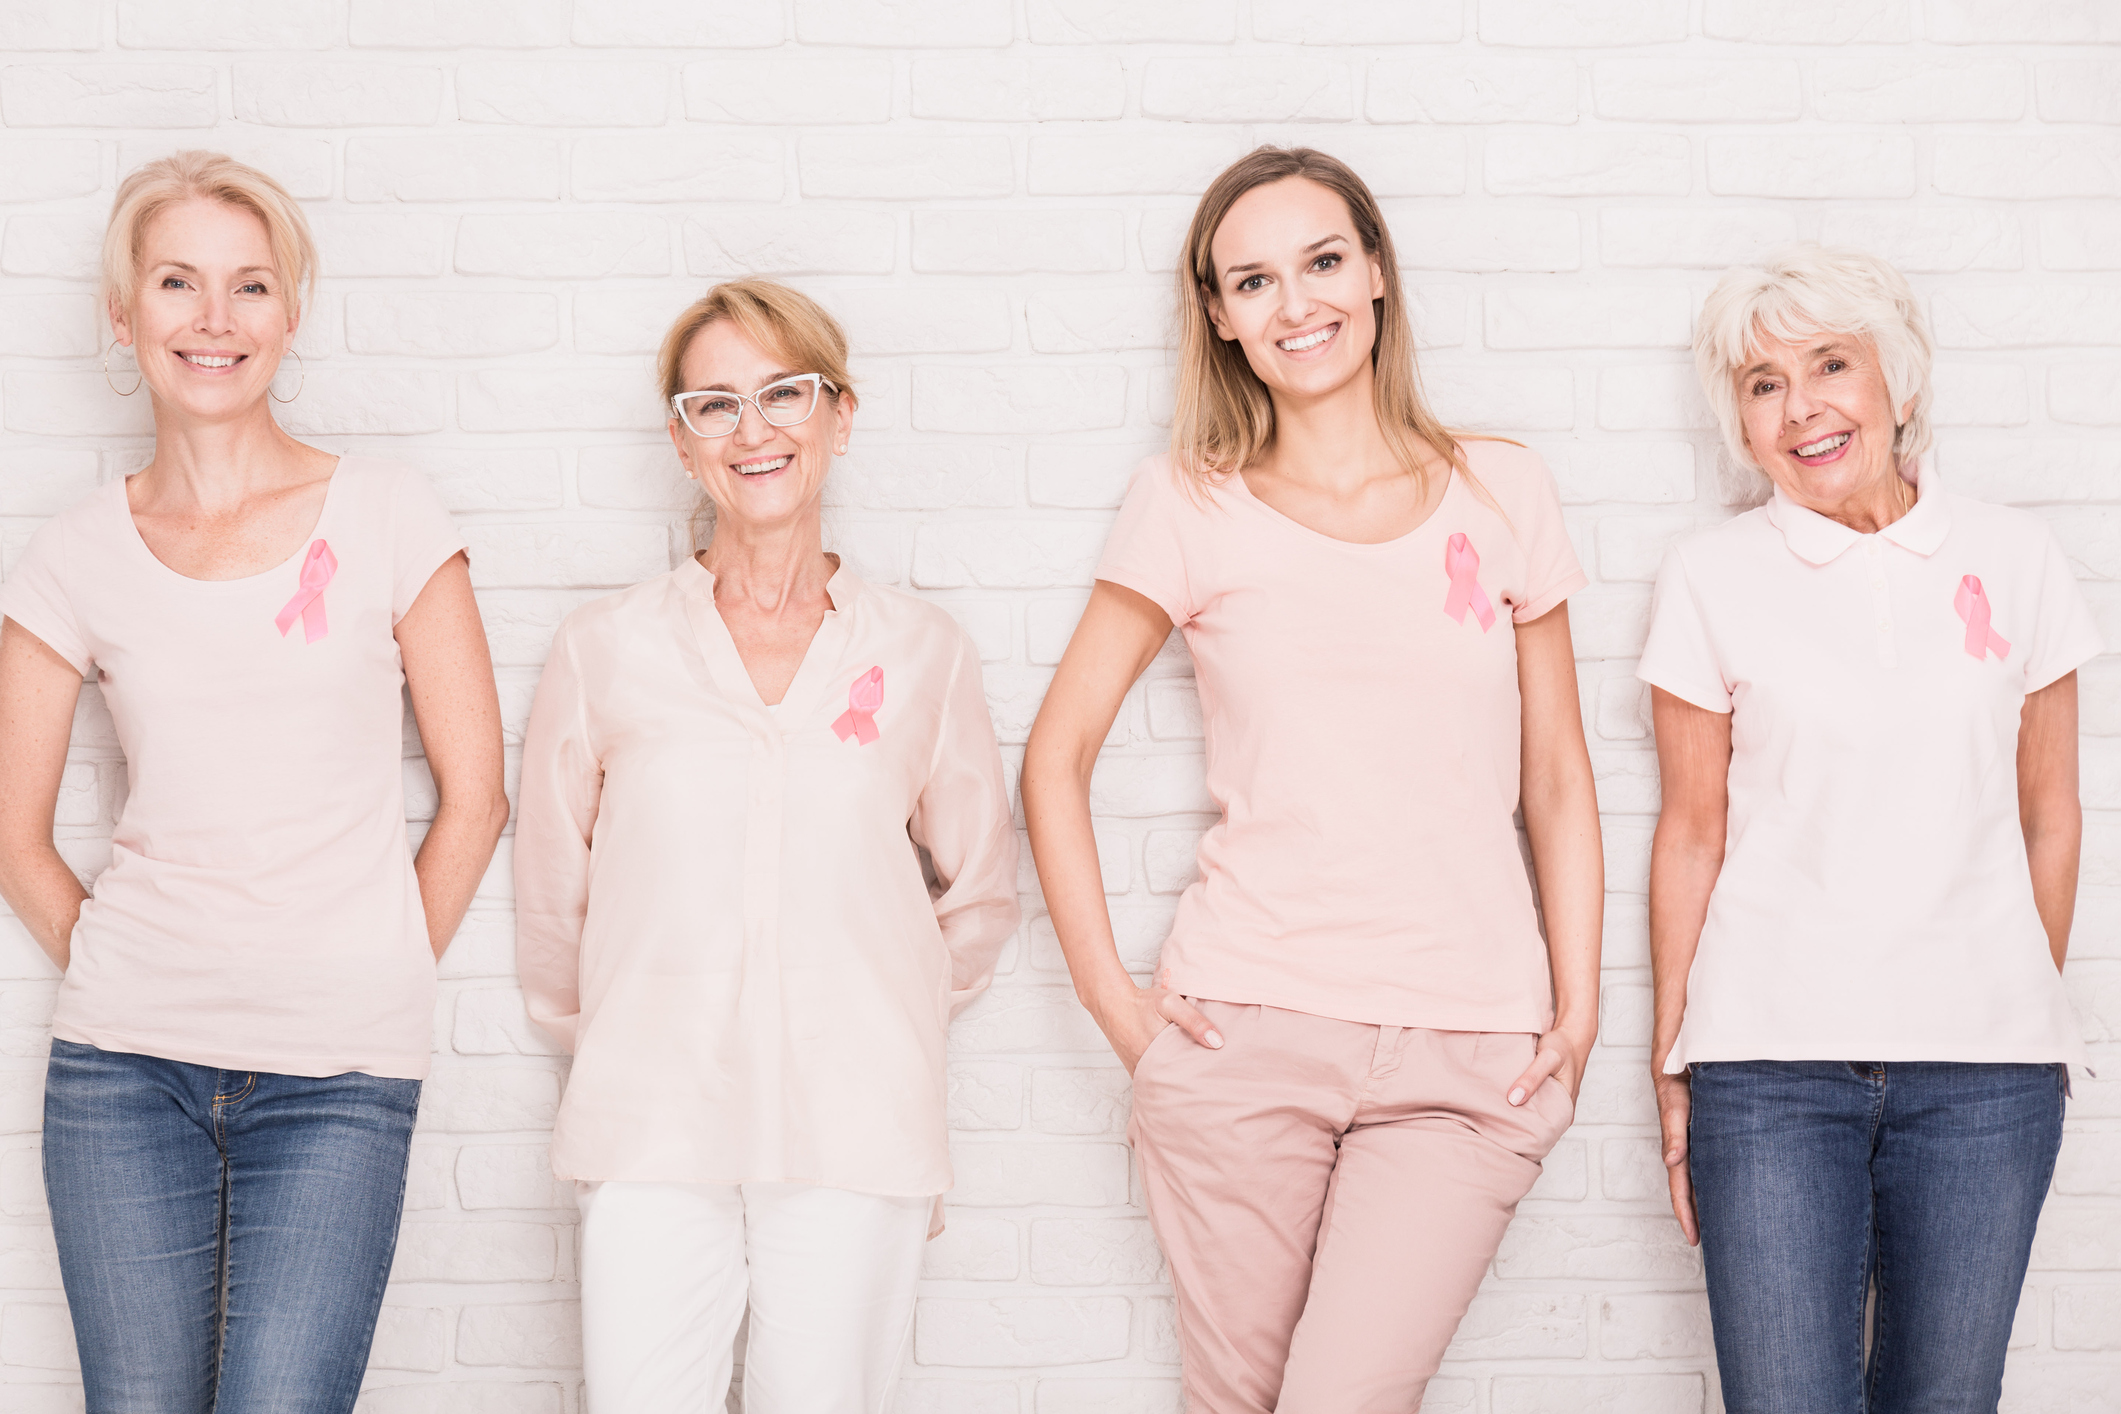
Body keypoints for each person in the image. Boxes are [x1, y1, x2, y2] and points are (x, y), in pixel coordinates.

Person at [1021, 146, 1604, 1412]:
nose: (1297, 304)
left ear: (1379, 271)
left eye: (1323, 261)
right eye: (1254, 280)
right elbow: (1054, 759)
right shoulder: (1186, 502)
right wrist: (1120, 1012)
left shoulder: (1501, 487)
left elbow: (1555, 773)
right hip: (1244, 1031)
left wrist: (1578, 1008)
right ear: (1221, 318)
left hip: (1468, 1052)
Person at [0, 151, 507, 1411]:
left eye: (249, 286)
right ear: (125, 316)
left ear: (290, 312)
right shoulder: (73, 553)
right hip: (124, 1075)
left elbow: (479, 790)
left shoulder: (387, 514)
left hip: (340, 1082)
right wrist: (129, 957)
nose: (213, 319)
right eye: (177, 282)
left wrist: (372, 959)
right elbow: (14, 837)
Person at [514, 278, 1020, 1413]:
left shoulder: (923, 652)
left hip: (857, 1129)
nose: (755, 430)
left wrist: (873, 1013)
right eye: (716, 404)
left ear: (841, 415)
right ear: (682, 442)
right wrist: (632, 1032)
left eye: (784, 393)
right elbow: (553, 904)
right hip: (652, 1124)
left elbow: (981, 896)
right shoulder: (604, 648)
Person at [1643, 243, 2098, 1413]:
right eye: (1761, 383)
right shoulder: (1710, 576)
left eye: (1830, 364)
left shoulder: (2019, 558)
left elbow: (2052, 812)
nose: (1802, 409)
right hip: (1768, 1073)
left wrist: (2013, 991)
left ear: (1897, 376)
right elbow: (1691, 834)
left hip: (1985, 1083)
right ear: (1738, 422)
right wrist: (1674, 1061)